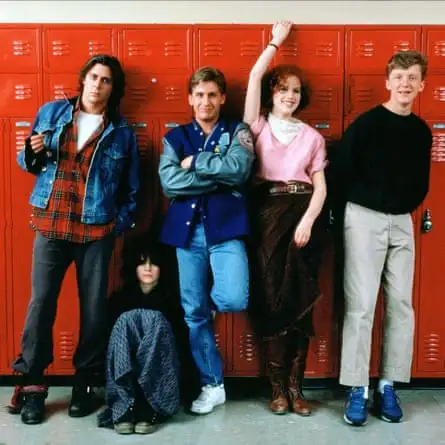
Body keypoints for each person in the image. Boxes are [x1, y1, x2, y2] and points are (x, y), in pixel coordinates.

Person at [8, 54, 140, 425]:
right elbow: (27, 162)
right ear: (83, 80)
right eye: (94, 77)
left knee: (94, 310)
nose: (98, 86)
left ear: (114, 89)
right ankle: (33, 386)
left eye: (107, 81)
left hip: (96, 228)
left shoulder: (121, 132)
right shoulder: (51, 113)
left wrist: (119, 224)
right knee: (41, 305)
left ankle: (85, 381)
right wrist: (32, 154)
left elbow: (132, 188)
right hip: (51, 222)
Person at [328, 50, 432, 426]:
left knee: (402, 304)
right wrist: (351, 215)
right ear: (388, 82)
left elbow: (422, 180)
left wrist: (402, 208)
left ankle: (388, 384)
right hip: (364, 217)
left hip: (402, 221)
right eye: (399, 76)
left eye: (413, 77)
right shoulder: (367, 124)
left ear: (422, 85)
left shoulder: (421, 130)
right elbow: (340, 172)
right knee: (361, 305)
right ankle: (358, 388)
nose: (405, 83)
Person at [158, 66, 255, 415]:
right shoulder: (174, 137)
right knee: (194, 315)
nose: (205, 101)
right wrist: (219, 177)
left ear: (223, 98)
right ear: (190, 99)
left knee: (232, 297)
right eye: (199, 94)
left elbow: (240, 170)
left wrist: (196, 162)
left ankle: (208, 304)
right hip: (187, 233)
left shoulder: (237, 130)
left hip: (226, 228)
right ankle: (212, 385)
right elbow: (171, 184)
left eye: (212, 94)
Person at [243, 21, 327, 416]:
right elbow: (254, 75)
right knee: (274, 300)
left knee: (301, 303)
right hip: (269, 217)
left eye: (295, 90)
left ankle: (297, 388)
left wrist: (309, 220)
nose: (289, 95)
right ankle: (276, 388)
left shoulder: (312, 137)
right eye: (282, 89)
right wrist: (276, 41)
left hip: (304, 216)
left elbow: (321, 186)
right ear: (272, 94)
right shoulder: (257, 125)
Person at [97, 236, 184, 435]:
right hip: (128, 368)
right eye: (142, 263)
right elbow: (111, 343)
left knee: (156, 320)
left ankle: (149, 404)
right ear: (133, 268)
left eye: (153, 263)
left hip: (161, 370)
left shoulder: (173, 300)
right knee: (125, 320)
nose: (147, 268)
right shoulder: (120, 299)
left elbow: (179, 346)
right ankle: (124, 405)